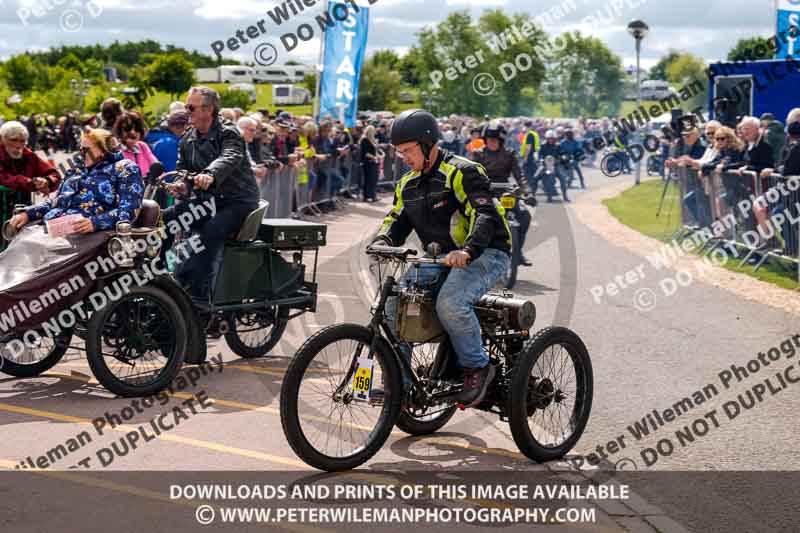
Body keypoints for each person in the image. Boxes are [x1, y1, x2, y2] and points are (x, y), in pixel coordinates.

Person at [374, 109, 512, 408]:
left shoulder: (462, 171)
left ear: (428, 145)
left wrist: (468, 250)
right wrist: (382, 241)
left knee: (450, 303)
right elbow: (396, 219)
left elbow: (485, 214)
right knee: (393, 303)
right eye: (400, 152)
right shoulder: (407, 183)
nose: (404, 158)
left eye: (408, 150)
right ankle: (400, 382)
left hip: (486, 251)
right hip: (439, 258)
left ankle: (477, 367)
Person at [161, 86, 260, 299]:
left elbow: (230, 156)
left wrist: (210, 174)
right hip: (208, 202)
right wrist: (181, 185)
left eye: (191, 107)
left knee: (211, 230)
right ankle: (159, 279)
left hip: (237, 201)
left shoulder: (228, 132)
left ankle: (198, 294)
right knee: (164, 219)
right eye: (186, 106)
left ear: (208, 110)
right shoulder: (188, 138)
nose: (186, 112)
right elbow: (182, 171)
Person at [8, 128, 143, 234]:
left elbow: (130, 210)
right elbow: (57, 201)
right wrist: (28, 213)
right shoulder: (77, 169)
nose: (81, 154)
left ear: (103, 149)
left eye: (86, 149)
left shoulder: (125, 168)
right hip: (55, 229)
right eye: (80, 149)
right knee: (19, 246)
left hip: (91, 236)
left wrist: (95, 222)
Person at [469, 121, 533, 266]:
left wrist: (528, 193)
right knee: (473, 217)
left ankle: (518, 252)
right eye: (489, 139)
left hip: (505, 191)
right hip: (484, 192)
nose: (492, 142)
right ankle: (470, 251)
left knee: (525, 215)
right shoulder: (477, 154)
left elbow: (520, 176)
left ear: (501, 140)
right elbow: (470, 174)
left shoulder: (509, 154)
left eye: (495, 139)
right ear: (485, 140)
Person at [0, 120, 61, 202]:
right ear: (1, 139)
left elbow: (53, 174)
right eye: (13, 140)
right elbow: (5, 178)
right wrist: (32, 183)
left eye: (22, 141)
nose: (18, 145)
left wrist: (47, 181)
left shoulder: (28, 155)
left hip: (23, 206)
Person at [113, 111, 159, 179]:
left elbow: (156, 166)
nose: (133, 132)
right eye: (127, 128)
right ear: (120, 131)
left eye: (137, 128)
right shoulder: (116, 152)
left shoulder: (142, 146)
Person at [537, 129, 569, 202]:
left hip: (556, 165)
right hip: (546, 166)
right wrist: (541, 160)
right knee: (538, 178)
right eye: (549, 138)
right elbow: (539, 155)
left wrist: (563, 157)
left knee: (563, 179)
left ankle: (565, 196)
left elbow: (562, 153)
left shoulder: (558, 145)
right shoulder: (543, 145)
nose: (551, 140)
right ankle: (549, 197)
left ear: (555, 139)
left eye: (552, 138)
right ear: (546, 138)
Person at [237, 116, 268, 182]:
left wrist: (257, 167)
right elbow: (236, 166)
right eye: (251, 130)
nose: (254, 133)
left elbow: (249, 161)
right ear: (241, 129)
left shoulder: (244, 142)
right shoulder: (235, 143)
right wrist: (254, 170)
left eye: (255, 130)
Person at [360, 125, 380, 202]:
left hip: (373, 162)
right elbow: (365, 152)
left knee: (373, 179)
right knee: (368, 179)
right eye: (373, 131)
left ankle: (371, 195)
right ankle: (368, 196)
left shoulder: (372, 140)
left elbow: (374, 151)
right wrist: (374, 157)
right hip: (367, 162)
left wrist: (377, 156)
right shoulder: (364, 140)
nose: (374, 132)